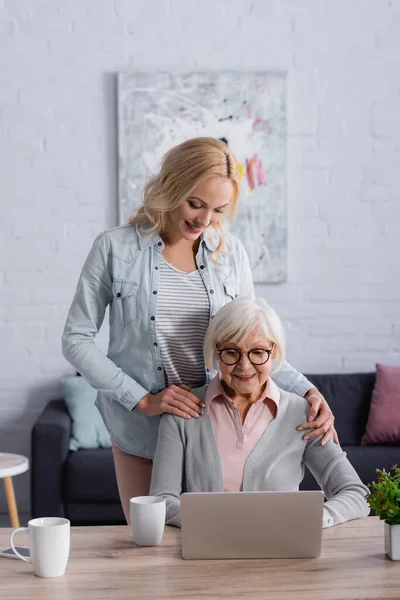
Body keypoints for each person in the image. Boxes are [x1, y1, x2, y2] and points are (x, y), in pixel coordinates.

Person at [62, 137, 336, 525]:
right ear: (172, 185)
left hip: (214, 430)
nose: (204, 221)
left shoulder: (231, 255)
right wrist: (142, 399)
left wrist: (309, 392)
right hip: (141, 431)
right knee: (154, 547)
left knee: (215, 553)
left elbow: (252, 343)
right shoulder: (114, 248)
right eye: (196, 204)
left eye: (219, 210)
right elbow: (75, 339)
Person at [150, 298, 370, 528]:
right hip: (206, 556)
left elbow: (356, 494)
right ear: (216, 352)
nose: (244, 366)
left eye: (257, 352)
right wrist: (220, 524)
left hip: (282, 553)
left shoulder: (303, 414)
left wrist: (313, 518)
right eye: (231, 352)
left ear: (273, 352)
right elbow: (161, 501)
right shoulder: (181, 414)